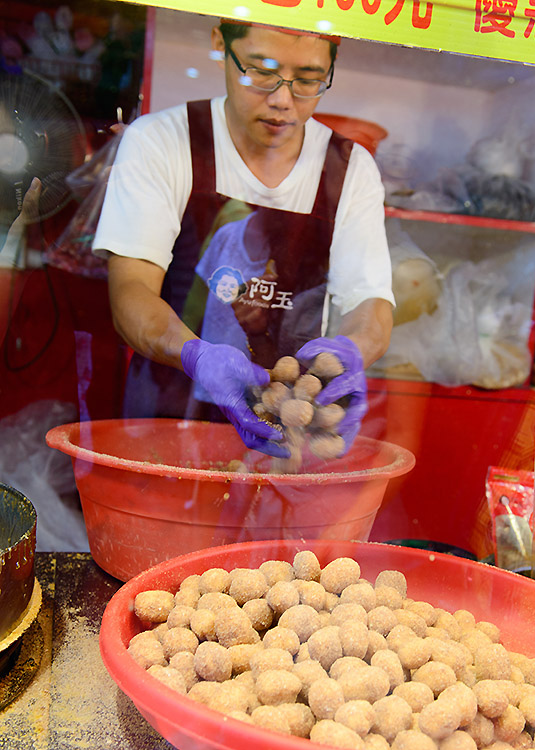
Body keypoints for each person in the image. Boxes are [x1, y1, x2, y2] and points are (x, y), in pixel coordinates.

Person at [93, 19, 396, 457]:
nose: (282, 100)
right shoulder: (163, 142)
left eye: (308, 80)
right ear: (221, 43)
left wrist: (350, 353)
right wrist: (195, 355)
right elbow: (132, 290)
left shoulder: (349, 169)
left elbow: (370, 301)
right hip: (168, 411)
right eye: (261, 71)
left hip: (285, 430)